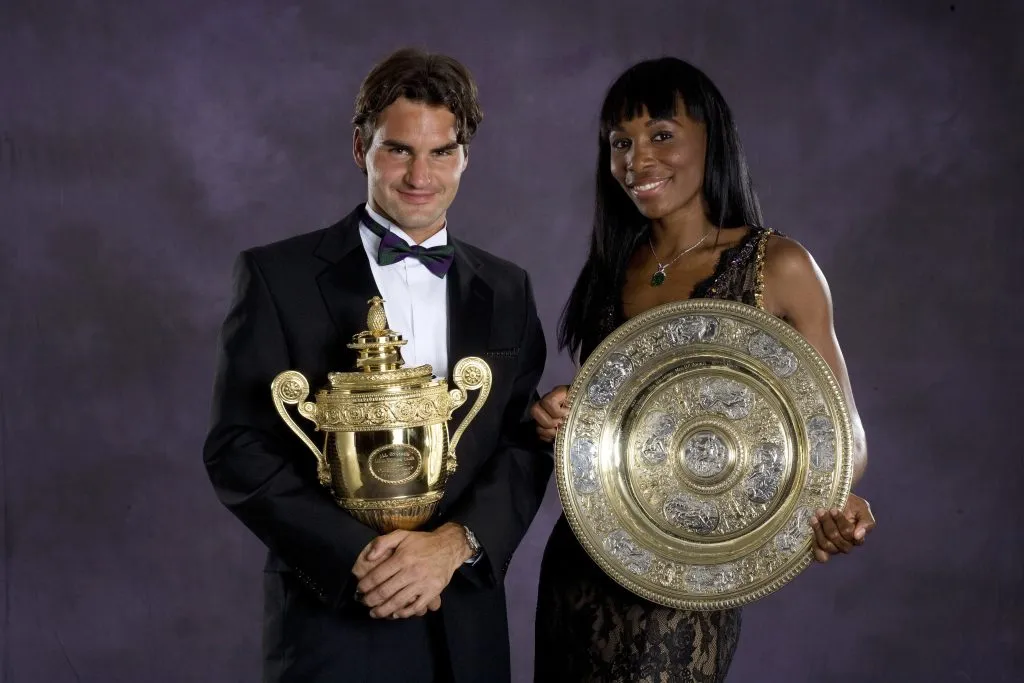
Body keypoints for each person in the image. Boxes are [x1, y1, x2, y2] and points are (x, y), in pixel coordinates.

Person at [202, 48, 552, 683]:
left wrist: (451, 547)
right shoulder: (276, 277)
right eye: (399, 150)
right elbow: (237, 448)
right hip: (334, 620)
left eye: (441, 152)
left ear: (465, 156)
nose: (421, 175)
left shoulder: (509, 288)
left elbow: (523, 444)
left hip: (466, 622)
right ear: (359, 147)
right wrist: (365, 560)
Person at [530, 57, 877, 683]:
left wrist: (833, 498)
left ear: (711, 138)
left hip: (690, 579)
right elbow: (614, 417)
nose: (637, 160)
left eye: (661, 134)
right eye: (620, 143)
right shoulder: (615, 266)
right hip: (584, 564)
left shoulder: (779, 265)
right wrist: (558, 413)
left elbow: (843, 437)